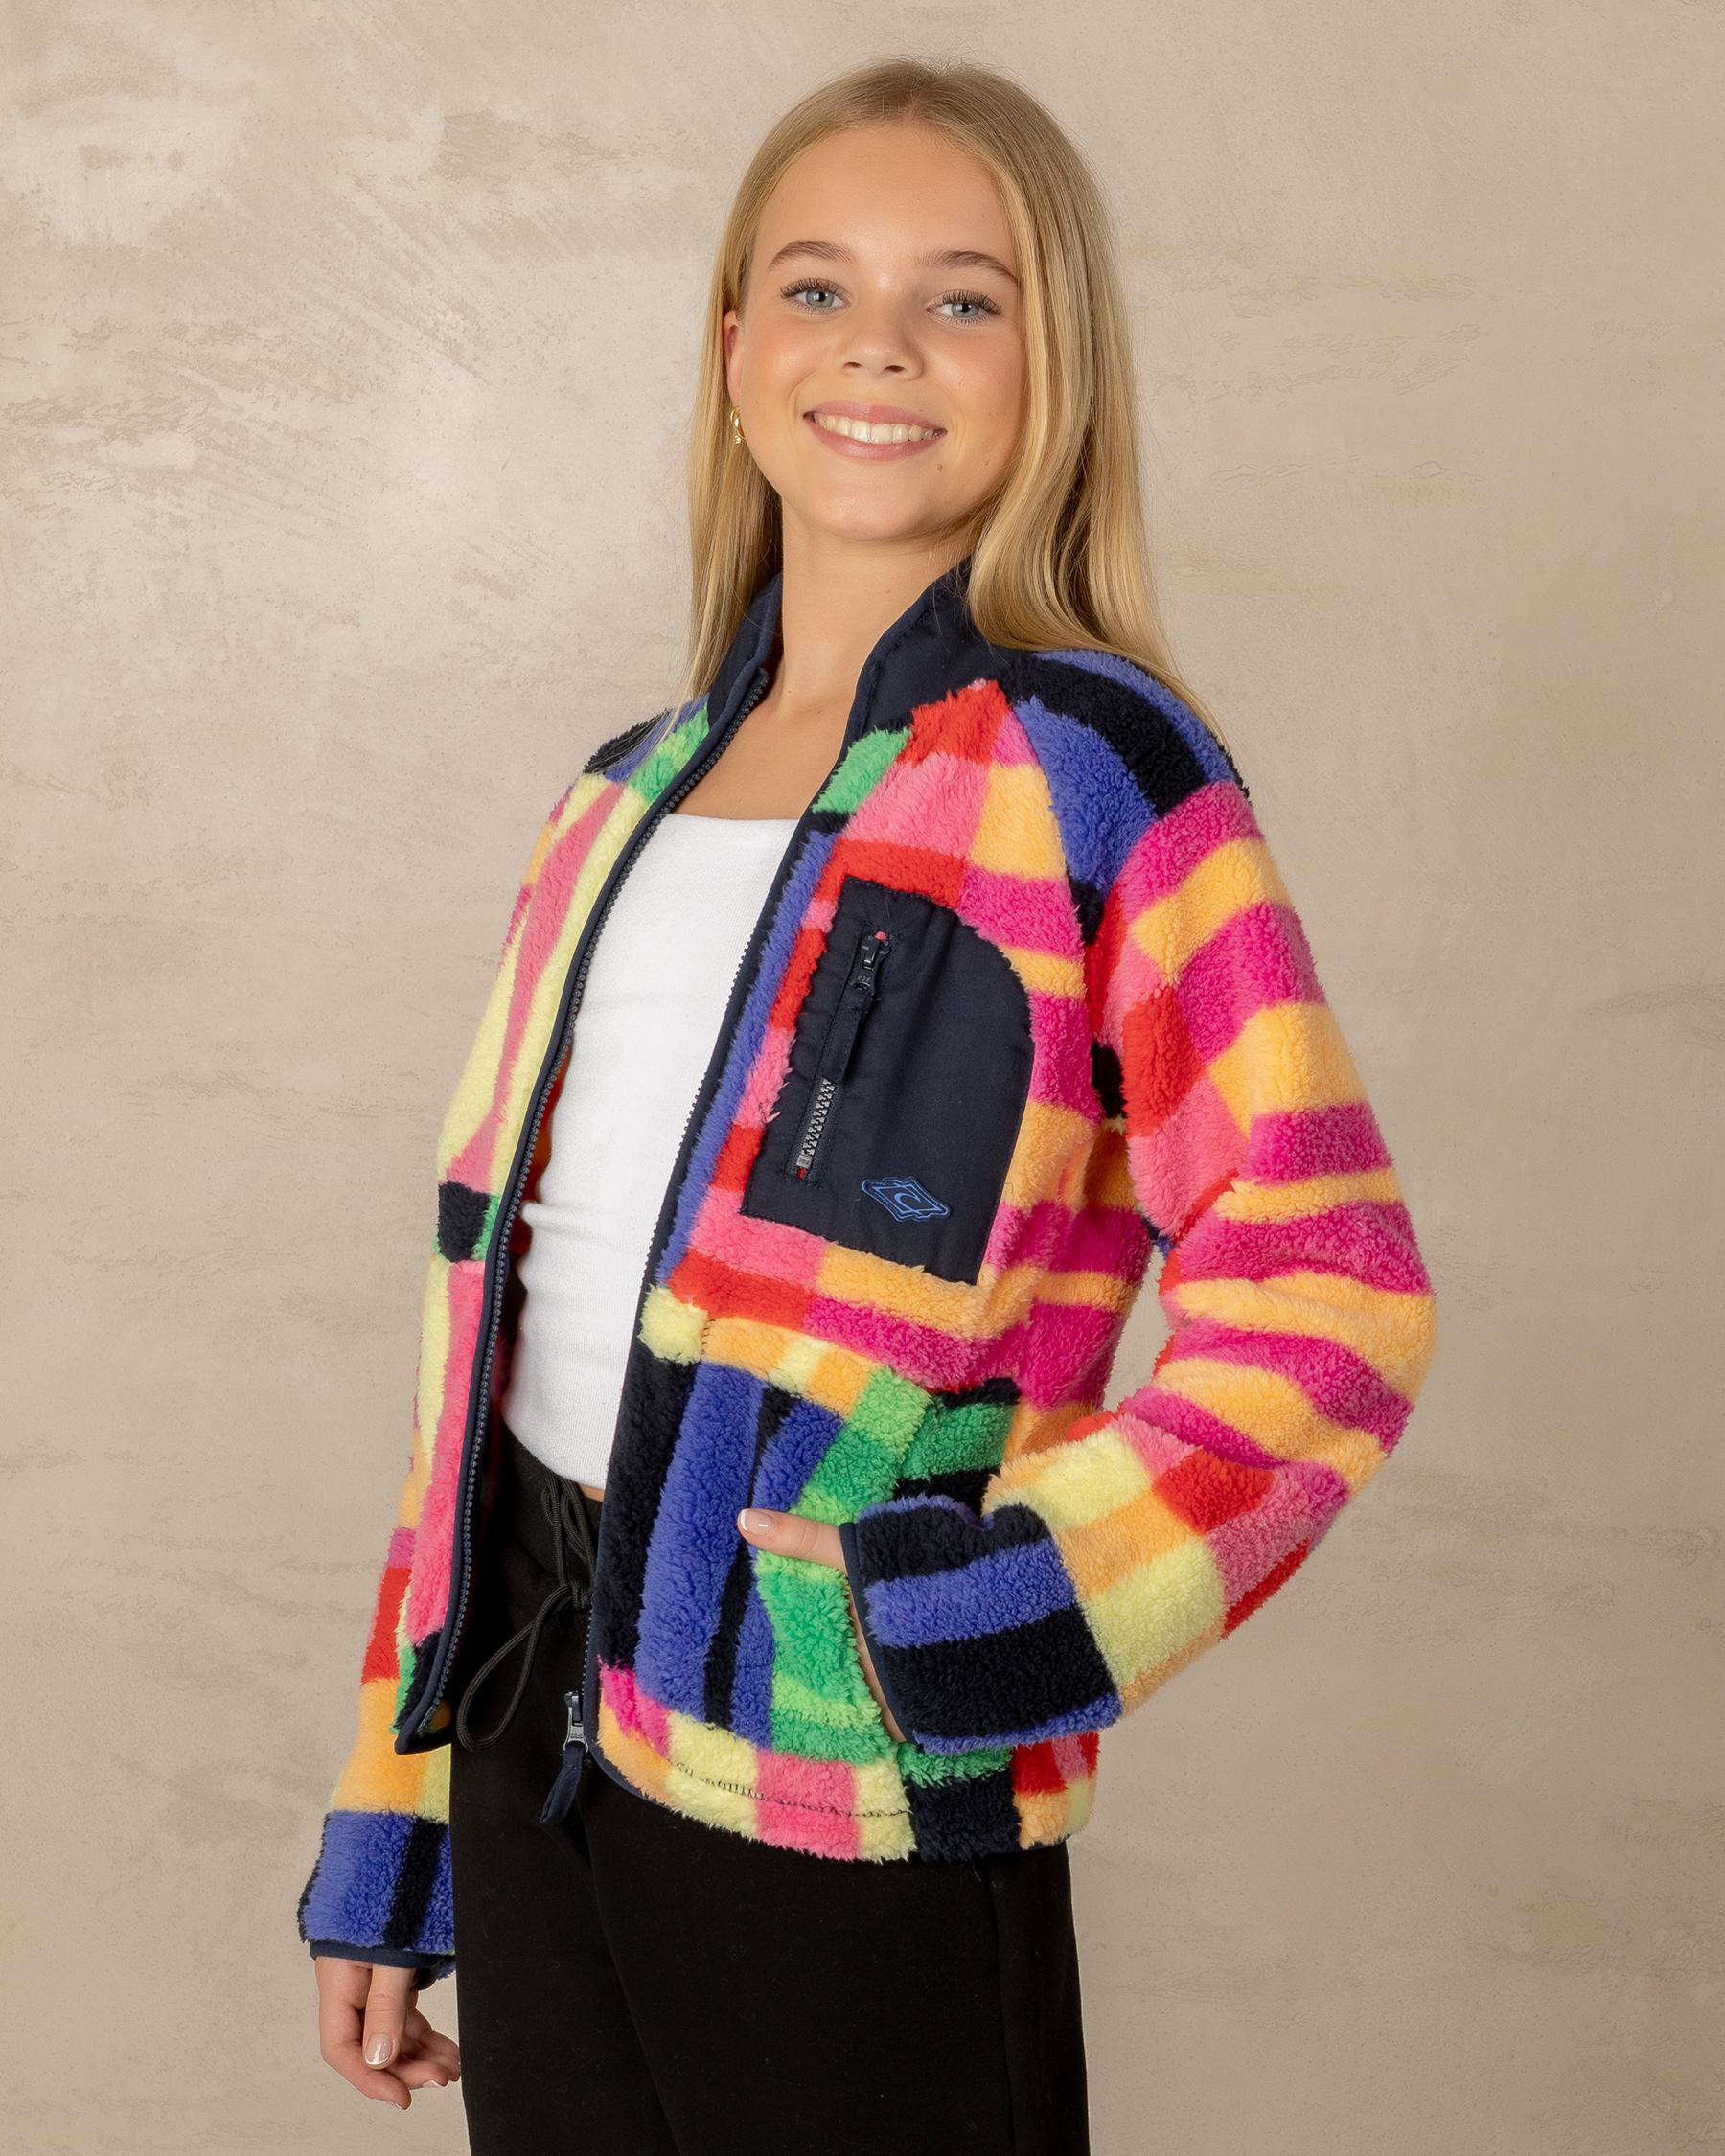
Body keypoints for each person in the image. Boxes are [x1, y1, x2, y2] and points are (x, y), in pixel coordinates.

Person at [297, 57, 1439, 2156]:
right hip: (532, 1718)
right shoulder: (617, 800)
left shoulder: (1098, 775)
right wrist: (401, 1807)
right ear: (735, 346)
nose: (878, 347)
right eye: (817, 288)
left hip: (844, 1752)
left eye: (961, 299)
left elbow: (1331, 1300)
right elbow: (485, 1349)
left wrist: (973, 1623)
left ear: (1049, 367)